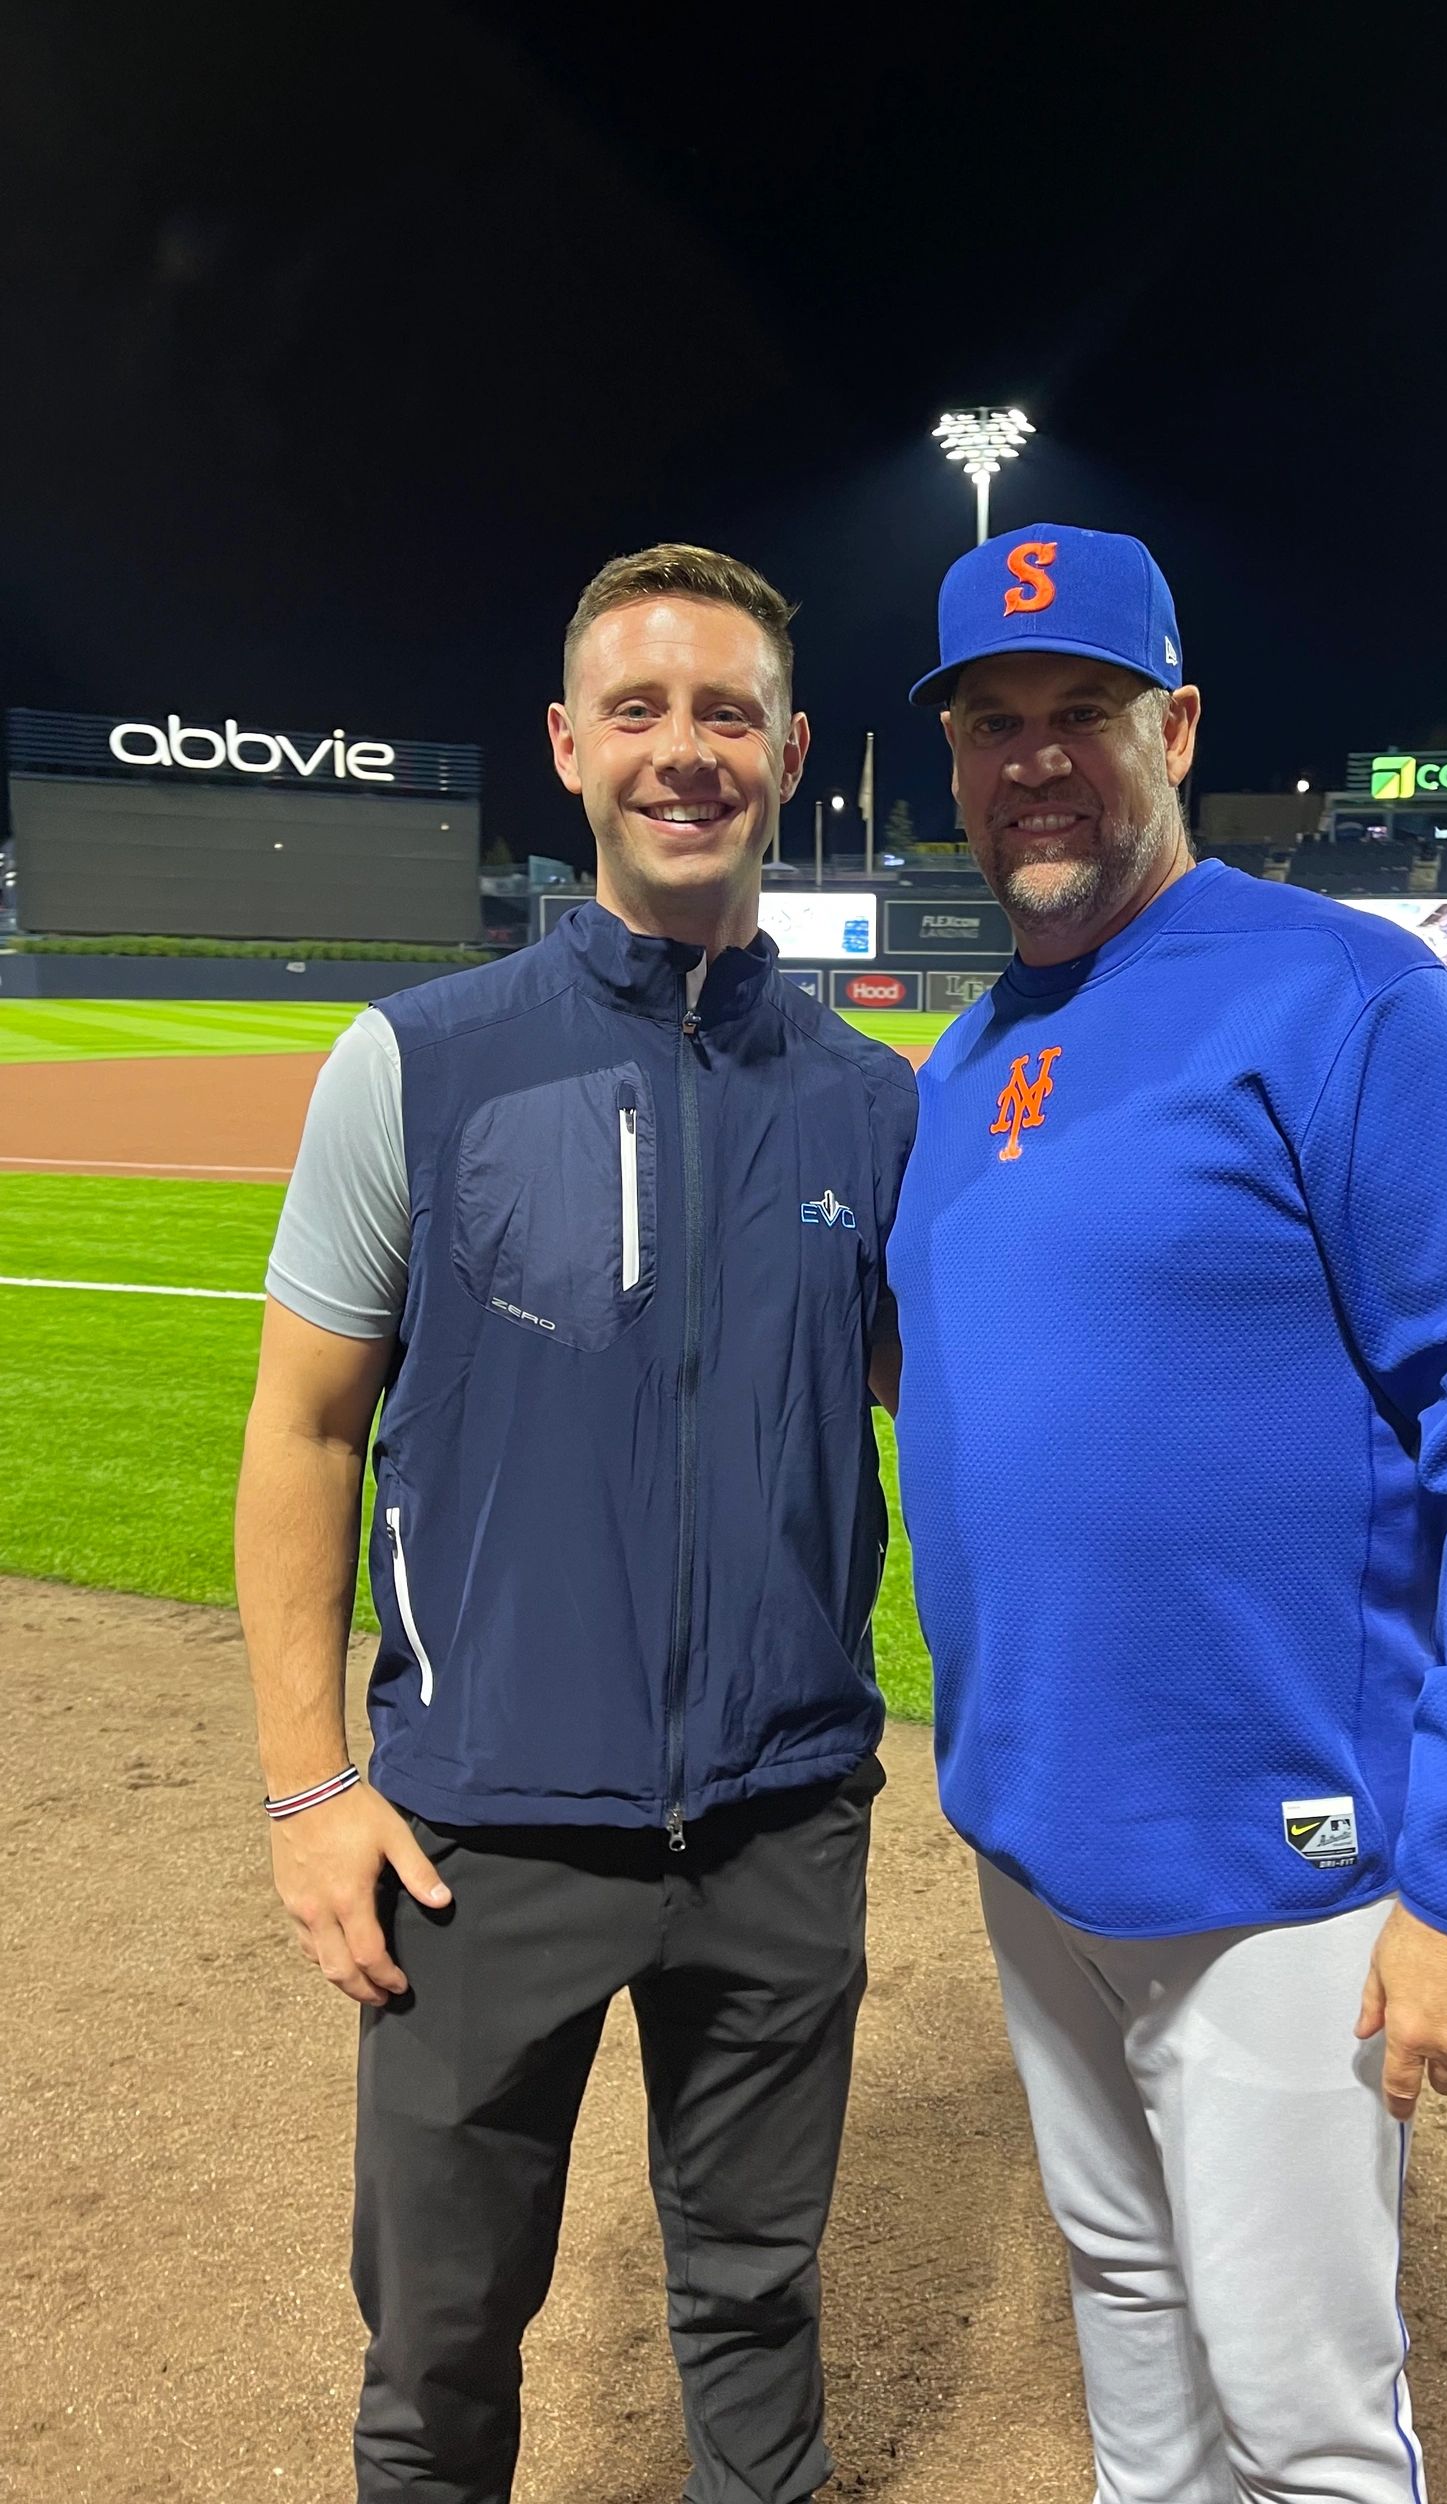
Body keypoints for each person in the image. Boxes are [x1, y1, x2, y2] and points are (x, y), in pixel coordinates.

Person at [888, 523, 1447, 2502]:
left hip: (1283, 1854)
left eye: (1085, 712)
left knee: (1308, 2415)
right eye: (995, 722)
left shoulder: (1345, 999)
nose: (1036, 758)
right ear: (952, 763)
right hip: (1037, 1839)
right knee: (1129, 2308)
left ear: (1178, 726)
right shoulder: (959, 1064)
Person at [235, 544, 917, 2504]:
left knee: (755, 2329)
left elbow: (969, 1417)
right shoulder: (419, 1065)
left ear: (790, 752)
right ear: (568, 744)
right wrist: (309, 1788)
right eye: (640, 707)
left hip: (783, 1829)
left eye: (726, 713)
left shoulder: (873, 1108)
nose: (682, 749)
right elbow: (301, 1429)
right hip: (477, 1841)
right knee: (438, 2361)